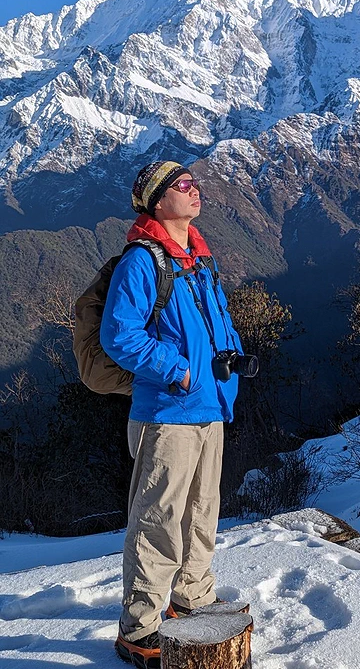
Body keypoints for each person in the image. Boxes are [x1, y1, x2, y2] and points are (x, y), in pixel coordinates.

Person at [100, 160, 242, 669]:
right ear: (158, 201)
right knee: (158, 520)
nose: (194, 188)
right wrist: (177, 370)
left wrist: (230, 365)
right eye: (182, 185)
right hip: (167, 411)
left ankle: (191, 597)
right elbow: (119, 335)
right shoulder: (143, 261)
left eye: (194, 182)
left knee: (202, 511)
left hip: (209, 405)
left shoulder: (198, 257)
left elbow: (217, 323)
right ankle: (139, 628)